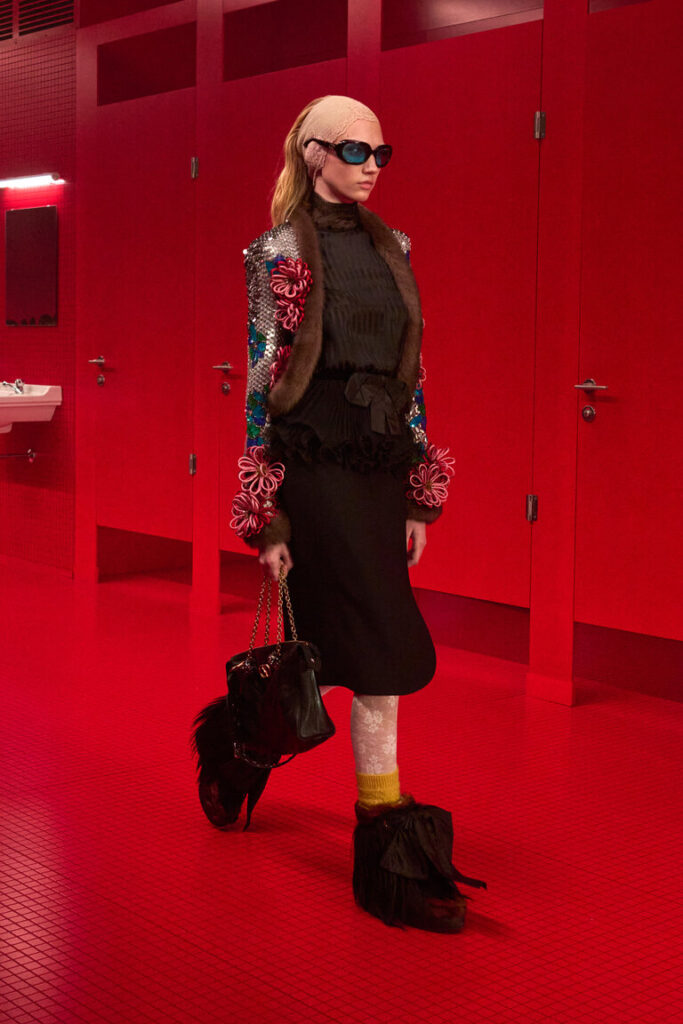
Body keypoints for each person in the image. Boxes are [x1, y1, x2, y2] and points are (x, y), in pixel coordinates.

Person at [229, 95, 485, 932]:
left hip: (376, 464)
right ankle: (384, 829)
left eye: (380, 152)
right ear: (311, 154)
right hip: (311, 462)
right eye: (352, 150)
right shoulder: (274, 253)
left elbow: (414, 373)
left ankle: (239, 745)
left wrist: (417, 489)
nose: (371, 165)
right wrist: (265, 509)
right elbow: (261, 380)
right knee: (378, 638)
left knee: (341, 637)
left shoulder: (393, 246)